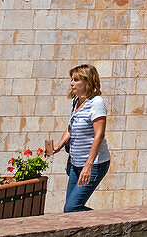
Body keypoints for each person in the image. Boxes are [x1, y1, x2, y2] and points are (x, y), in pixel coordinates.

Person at [50, 64, 111, 212]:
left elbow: (99, 134)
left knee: (71, 209)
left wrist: (88, 166)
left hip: (94, 165)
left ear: (87, 82)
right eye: (72, 79)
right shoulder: (76, 102)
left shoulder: (96, 103)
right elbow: (71, 128)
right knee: (70, 210)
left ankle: (108, 225)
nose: (72, 83)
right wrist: (58, 146)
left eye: (76, 80)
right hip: (75, 164)